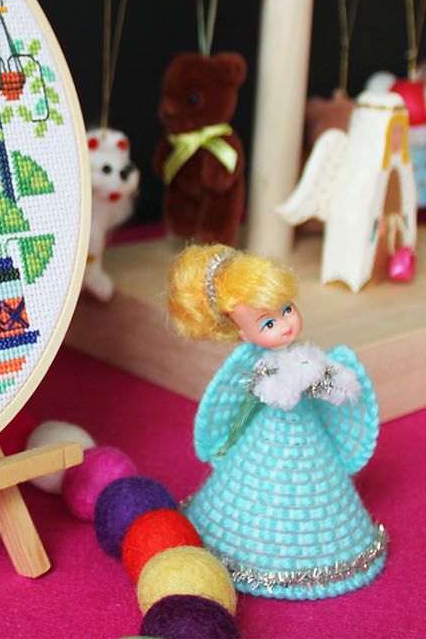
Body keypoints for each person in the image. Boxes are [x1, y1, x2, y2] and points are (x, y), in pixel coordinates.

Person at [167, 244, 389, 599]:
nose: (286, 326)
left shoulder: (308, 357)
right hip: (265, 440)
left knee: (314, 487)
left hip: (309, 442)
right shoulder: (258, 369)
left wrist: (328, 380)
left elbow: (338, 386)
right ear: (243, 334)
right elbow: (250, 400)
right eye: (268, 322)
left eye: (288, 309)